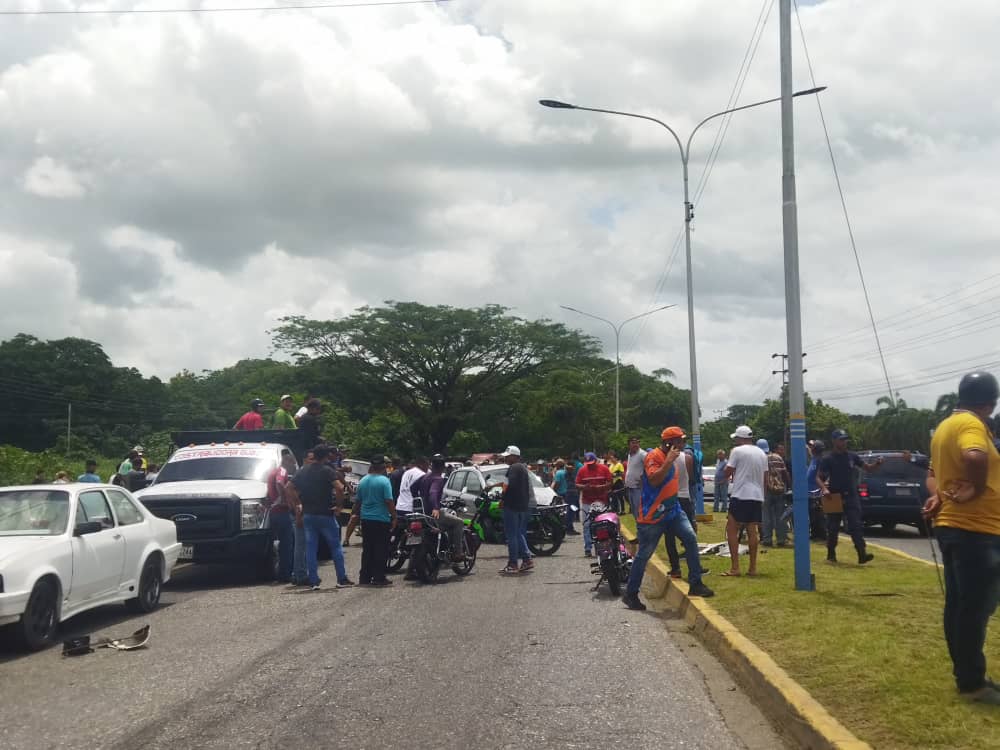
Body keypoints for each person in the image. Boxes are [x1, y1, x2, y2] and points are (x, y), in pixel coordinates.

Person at [922, 370, 1000, 704]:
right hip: (976, 529)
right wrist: (977, 486)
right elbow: (974, 456)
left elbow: (938, 472)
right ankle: (972, 684)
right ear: (990, 402)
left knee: (960, 605)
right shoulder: (971, 425)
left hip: (954, 526)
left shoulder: (945, 426)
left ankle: (968, 676)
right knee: (975, 607)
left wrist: (940, 494)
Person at [623, 426, 714, 610]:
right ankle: (631, 594)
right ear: (669, 442)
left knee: (690, 539)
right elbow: (654, 479)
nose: (684, 444)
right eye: (680, 441)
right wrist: (668, 461)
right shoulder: (654, 457)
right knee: (644, 555)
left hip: (673, 511)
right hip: (653, 516)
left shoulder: (677, 457)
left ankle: (695, 583)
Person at [285, 445, 353, 590]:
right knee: (335, 546)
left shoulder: (303, 471)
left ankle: (314, 581)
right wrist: (339, 506)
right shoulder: (327, 471)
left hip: (308, 514)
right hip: (326, 513)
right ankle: (341, 578)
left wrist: (298, 503)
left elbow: (288, 487)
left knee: (310, 547)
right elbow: (340, 487)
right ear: (326, 456)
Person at [816, 429, 882, 565]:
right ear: (834, 441)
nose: (844, 442)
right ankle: (831, 554)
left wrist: (877, 464)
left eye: (845, 439)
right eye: (841, 439)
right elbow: (818, 477)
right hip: (834, 496)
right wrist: (824, 489)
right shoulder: (828, 459)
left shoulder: (852, 456)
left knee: (856, 525)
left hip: (851, 495)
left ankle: (862, 554)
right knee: (833, 527)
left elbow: (867, 468)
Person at [723, 426, 768, 577]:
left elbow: (728, 471)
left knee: (731, 529)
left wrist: (724, 476)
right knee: (752, 530)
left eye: (736, 438)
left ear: (740, 438)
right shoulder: (761, 453)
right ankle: (752, 568)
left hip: (741, 494)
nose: (735, 441)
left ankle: (735, 567)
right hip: (756, 495)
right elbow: (765, 476)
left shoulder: (737, 451)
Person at [412, 455, 464, 561]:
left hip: (421, 513)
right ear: (442, 468)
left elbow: (412, 488)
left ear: (432, 465)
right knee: (459, 522)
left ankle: (410, 571)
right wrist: (435, 507)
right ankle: (458, 553)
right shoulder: (438, 479)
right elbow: (433, 492)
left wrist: (419, 499)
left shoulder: (425, 476)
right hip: (433, 513)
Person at [356, 456, 397, 587]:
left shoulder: (363, 480)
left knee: (367, 548)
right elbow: (389, 501)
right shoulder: (384, 481)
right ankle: (379, 576)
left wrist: (356, 516)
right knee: (381, 549)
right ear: (383, 467)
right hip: (381, 519)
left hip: (366, 519)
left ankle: (365, 577)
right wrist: (394, 516)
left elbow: (358, 501)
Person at [663, 429, 697, 579]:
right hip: (683, 497)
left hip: (669, 499)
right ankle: (695, 568)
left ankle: (675, 568)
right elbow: (690, 479)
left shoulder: (662, 458)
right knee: (689, 535)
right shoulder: (687, 458)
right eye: (681, 440)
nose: (683, 443)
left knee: (669, 536)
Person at [498, 445, 533, 575]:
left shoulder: (514, 468)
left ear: (515, 456)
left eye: (508, 456)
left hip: (511, 505)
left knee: (511, 535)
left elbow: (508, 485)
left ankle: (513, 563)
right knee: (518, 533)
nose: (506, 458)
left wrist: (502, 499)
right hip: (521, 505)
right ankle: (527, 559)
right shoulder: (522, 468)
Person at [266, 450, 298, 583]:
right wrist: (285, 499)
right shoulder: (282, 471)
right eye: (293, 463)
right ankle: (286, 574)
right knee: (287, 545)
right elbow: (279, 483)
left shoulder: (272, 472)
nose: (293, 467)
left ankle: (281, 573)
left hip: (274, 512)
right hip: (282, 512)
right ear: (287, 461)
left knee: (279, 544)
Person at [575, 452, 613, 558]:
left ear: (596, 460)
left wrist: (602, 487)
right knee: (587, 525)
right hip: (587, 501)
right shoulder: (582, 470)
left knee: (602, 525)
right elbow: (577, 484)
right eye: (588, 464)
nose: (590, 465)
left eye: (592, 463)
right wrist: (584, 487)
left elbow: (610, 482)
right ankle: (588, 548)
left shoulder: (604, 469)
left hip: (601, 500)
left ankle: (602, 547)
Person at [762, 443, 790, 547]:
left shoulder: (761, 459)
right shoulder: (779, 458)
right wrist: (789, 486)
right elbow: (785, 474)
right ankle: (781, 540)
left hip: (766, 490)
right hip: (779, 490)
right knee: (780, 516)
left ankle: (767, 539)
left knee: (766, 516)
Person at [624, 436, 647, 517]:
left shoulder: (642, 454)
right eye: (633, 443)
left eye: (637, 442)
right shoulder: (630, 454)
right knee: (634, 510)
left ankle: (642, 528)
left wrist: (644, 480)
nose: (636, 444)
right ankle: (639, 527)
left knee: (639, 511)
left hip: (638, 488)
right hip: (630, 487)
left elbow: (649, 467)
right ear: (629, 444)